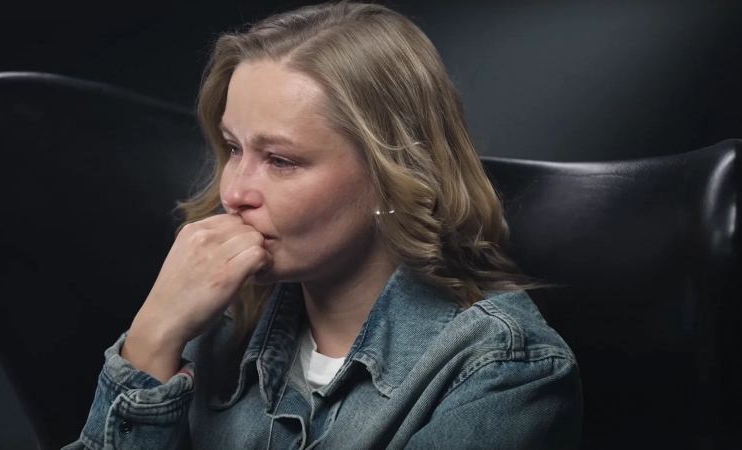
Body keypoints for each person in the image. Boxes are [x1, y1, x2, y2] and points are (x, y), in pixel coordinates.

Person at [63, 1, 581, 448]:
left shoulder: (505, 371)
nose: (233, 193)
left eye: (281, 161)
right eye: (235, 148)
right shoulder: (211, 317)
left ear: (392, 175)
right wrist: (153, 337)